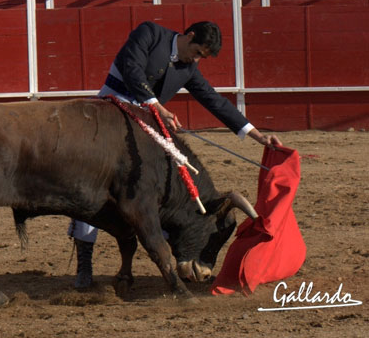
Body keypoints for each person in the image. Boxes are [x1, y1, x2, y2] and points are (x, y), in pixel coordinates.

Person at [69, 20, 282, 289]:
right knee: (92, 182)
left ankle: (181, 255)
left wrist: (257, 135)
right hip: (107, 114)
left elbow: (214, 101)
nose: (196, 60)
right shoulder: (150, 34)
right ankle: (84, 264)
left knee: (162, 188)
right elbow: (132, 69)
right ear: (189, 36)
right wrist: (156, 105)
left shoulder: (188, 68)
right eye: (197, 53)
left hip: (143, 129)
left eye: (201, 57)